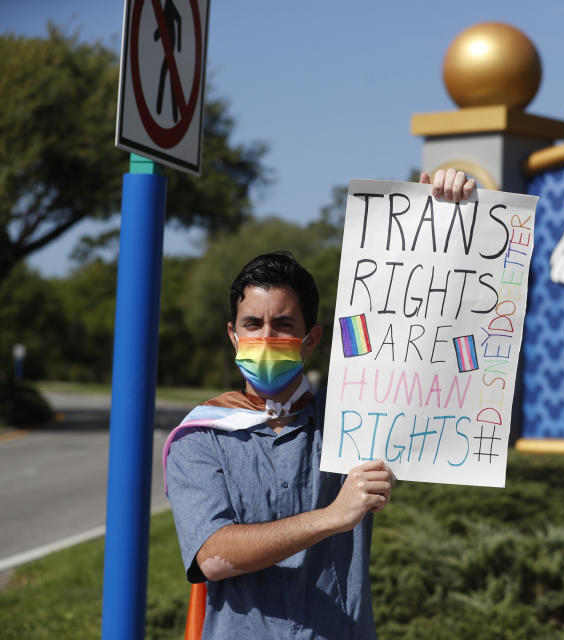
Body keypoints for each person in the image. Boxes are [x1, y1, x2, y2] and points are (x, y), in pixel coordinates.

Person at [164, 169, 475, 639]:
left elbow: (429, 341)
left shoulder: (356, 416)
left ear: (310, 339)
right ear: (233, 335)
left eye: (284, 325)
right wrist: (334, 515)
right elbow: (211, 555)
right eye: (252, 324)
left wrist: (444, 214)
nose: (266, 338)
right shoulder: (201, 436)